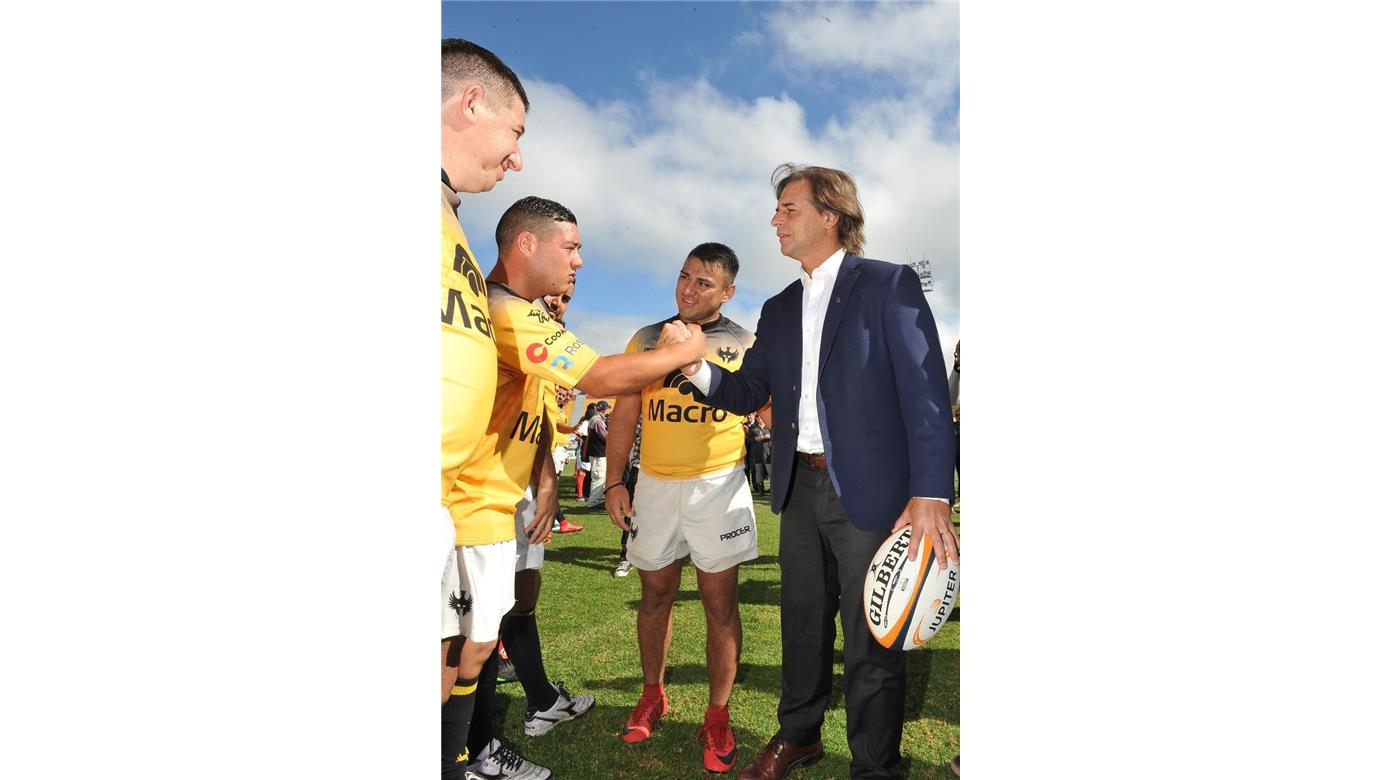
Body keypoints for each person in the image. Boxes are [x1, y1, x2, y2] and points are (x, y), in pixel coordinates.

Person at [681, 164, 959, 780]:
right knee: (801, 625)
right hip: (796, 490)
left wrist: (932, 492)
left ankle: (874, 766)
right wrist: (695, 366)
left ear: (830, 216)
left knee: (872, 637)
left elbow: (926, 395)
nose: (775, 220)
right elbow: (749, 387)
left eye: (787, 208)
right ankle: (799, 734)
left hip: (872, 494)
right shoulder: (778, 308)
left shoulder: (888, 285)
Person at [458, 195, 708, 779]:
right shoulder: (506, 309)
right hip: (471, 502)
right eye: (571, 248)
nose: (579, 263)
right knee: (463, 646)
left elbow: (543, 420)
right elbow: (598, 374)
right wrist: (687, 351)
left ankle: (487, 741)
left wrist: (545, 480)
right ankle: (470, 755)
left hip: (496, 502)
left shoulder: (517, 310)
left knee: (481, 634)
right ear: (528, 244)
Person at [604, 243, 759, 773]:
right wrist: (613, 482)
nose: (689, 290)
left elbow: (770, 407)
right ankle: (653, 693)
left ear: (728, 292)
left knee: (720, 605)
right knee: (655, 595)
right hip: (654, 484)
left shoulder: (744, 342)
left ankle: (718, 712)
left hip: (719, 486)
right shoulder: (647, 338)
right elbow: (625, 412)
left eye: (704, 283)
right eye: (684, 277)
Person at [440, 38, 528, 780]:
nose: (518, 156)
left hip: (449, 509)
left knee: (457, 647)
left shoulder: (452, 227)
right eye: (516, 132)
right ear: (470, 104)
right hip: (461, 505)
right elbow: (598, 371)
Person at [582, 400, 610, 508]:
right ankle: (594, 502)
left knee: (598, 477)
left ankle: (594, 501)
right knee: (599, 477)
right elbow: (605, 436)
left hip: (596, 453)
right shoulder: (598, 421)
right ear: (604, 410)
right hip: (599, 453)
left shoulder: (594, 419)